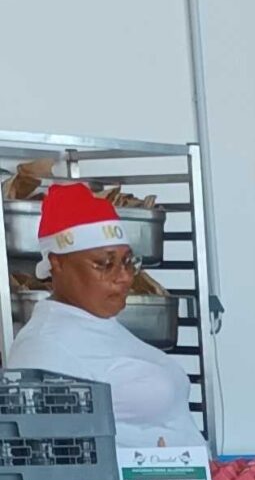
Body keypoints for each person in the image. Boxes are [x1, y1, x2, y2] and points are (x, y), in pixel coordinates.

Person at [8, 182, 206, 453]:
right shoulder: (42, 348)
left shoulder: (100, 325)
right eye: (104, 264)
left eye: (127, 262)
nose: (124, 277)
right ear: (57, 263)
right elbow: (49, 454)